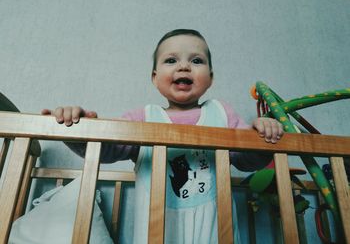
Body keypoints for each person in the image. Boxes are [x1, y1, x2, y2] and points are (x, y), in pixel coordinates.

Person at [42, 29, 284, 244]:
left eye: (196, 60)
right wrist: (76, 127)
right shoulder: (143, 117)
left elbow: (248, 159)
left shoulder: (221, 113)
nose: (184, 66)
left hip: (215, 229)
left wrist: (261, 133)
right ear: (155, 77)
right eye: (171, 60)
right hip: (157, 229)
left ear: (210, 77)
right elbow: (105, 150)